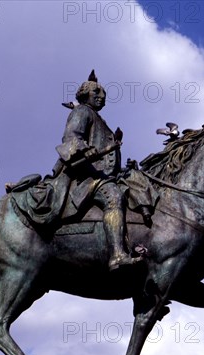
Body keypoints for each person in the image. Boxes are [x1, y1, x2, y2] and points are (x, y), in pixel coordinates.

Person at [56, 71, 142, 271]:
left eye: (103, 92)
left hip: (103, 175)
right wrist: (87, 151)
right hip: (86, 176)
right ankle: (117, 255)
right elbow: (71, 138)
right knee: (113, 197)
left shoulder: (98, 118)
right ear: (85, 94)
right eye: (97, 91)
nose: (102, 95)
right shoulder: (82, 112)